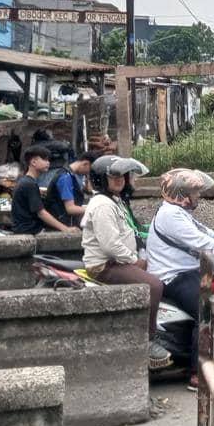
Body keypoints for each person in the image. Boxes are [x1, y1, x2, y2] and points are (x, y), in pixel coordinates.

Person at [146, 168, 214, 391]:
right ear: (182, 195)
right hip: (173, 277)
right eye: (195, 193)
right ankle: (198, 375)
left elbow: (203, 231)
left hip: (188, 271)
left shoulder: (177, 212)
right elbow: (198, 241)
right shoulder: (170, 216)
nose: (198, 196)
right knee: (206, 312)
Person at [82, 155, 171, 369]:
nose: (119, 179)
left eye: (122, 175)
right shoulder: (103, 204)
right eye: (113, 176)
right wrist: (134, 261)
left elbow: (132, 231)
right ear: (101, 179)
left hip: (119, 261)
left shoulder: (116, 200)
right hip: (105, 266)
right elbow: (110, 245)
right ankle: (149, 340)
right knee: (154, 285)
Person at [11, 145, 79, 235]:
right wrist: (65, 228)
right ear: (33, 162)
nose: (48, 163)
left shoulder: (25, 181)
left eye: (48, 160)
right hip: (29, 230)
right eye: (44, 159)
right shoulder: (30, 184)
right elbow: (41, 213)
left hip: (23, 228)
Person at [44, 151, 95, 227]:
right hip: (61, 224)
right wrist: (94, 209)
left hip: (68, 222)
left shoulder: (72, 175)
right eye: (90, 171)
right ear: (85, 164)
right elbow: (70, 209)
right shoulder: (65, 177)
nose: (88, 174)